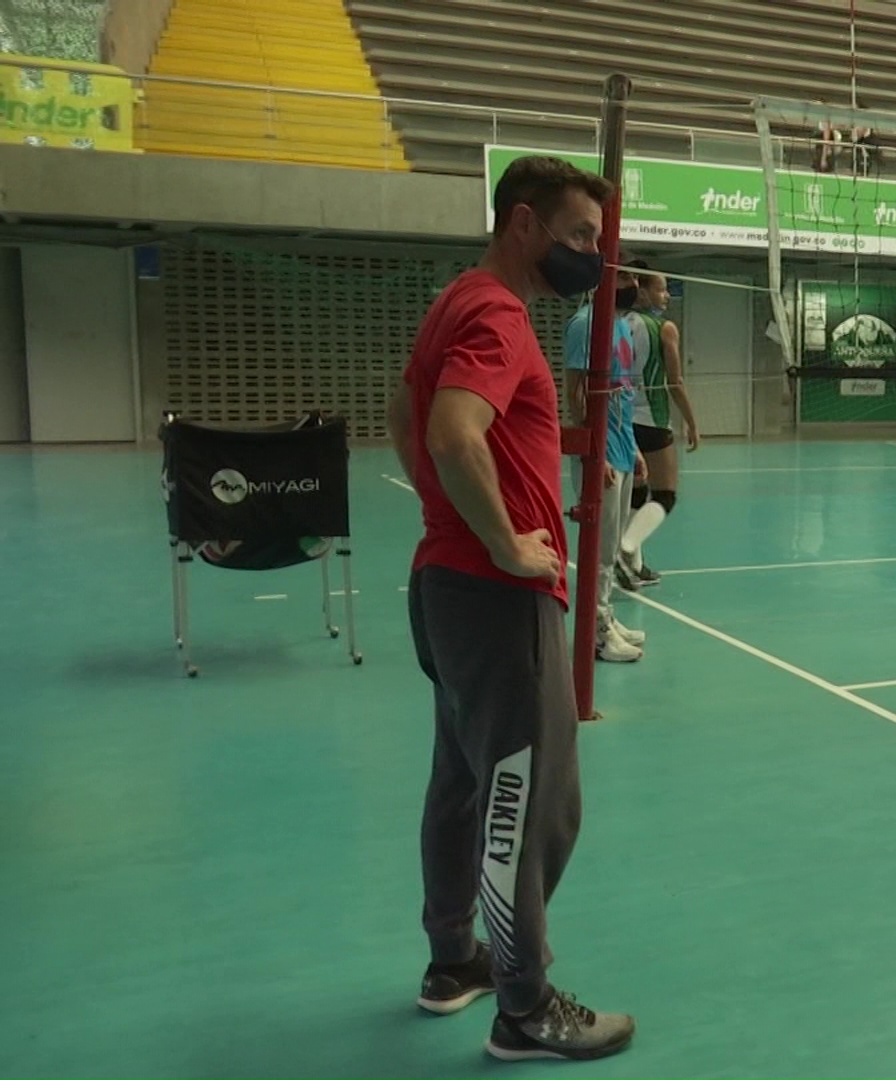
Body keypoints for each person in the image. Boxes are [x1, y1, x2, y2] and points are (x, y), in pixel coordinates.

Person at [385, 154, 635, 1062]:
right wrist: (497, 539)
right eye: (578, 237)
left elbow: (401, 413)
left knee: (463, 783)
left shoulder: (459, 299)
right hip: (494, 597)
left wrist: (446, 517)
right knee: (535, 806)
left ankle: (455, 958)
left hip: (445, 587)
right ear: (522, 223)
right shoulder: (495, 312)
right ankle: (525, 1007)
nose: (590, 258)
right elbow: (451, 431)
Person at [563, 268, 646, 663]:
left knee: (611, 547)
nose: (633, 286)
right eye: (625, 277)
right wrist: (592, 449)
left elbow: (624, 392)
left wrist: (633, 448)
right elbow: (575, 391)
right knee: (598, 547)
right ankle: (595, 633)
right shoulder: (585, 325)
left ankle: (606, 618)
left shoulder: (624, 327)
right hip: (601, 451)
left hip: (623, 443)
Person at [615, 269, 700, 588]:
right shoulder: (664, 328)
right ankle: (625, 547)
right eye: (662, 290)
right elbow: (675, 382)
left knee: (635, 495)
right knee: (664, 495)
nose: (667, 296)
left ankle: (634, 565)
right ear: (644, 292)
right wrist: (691, 422)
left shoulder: (617, 323)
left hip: (621, 419)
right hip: (652, 419)